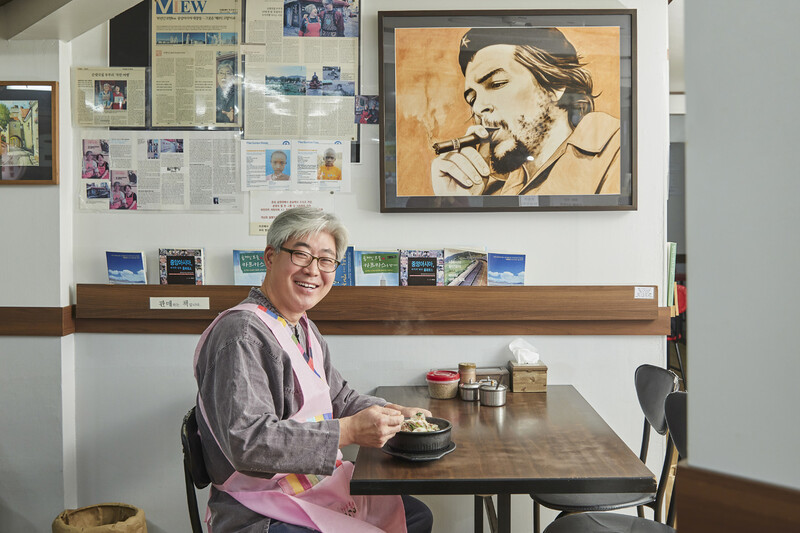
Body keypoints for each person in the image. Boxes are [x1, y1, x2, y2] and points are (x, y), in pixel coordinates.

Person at [193, 207, 434, 533]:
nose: (313, 270)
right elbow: (248, 443)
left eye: (326, 260)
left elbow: (341, 397)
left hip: (312, 486)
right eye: (302, 255)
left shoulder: (303, 328)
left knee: (414, 515)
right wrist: (347, 432)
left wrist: (395, 414)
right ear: (270, 256)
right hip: (260, 507)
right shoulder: (241, 333)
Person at [430, 28, 621, 197]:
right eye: (472, 99)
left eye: (497, 84)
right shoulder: (489, 191)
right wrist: (456, 200)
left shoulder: (618, 148)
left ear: (555, 86)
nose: (478, 108)